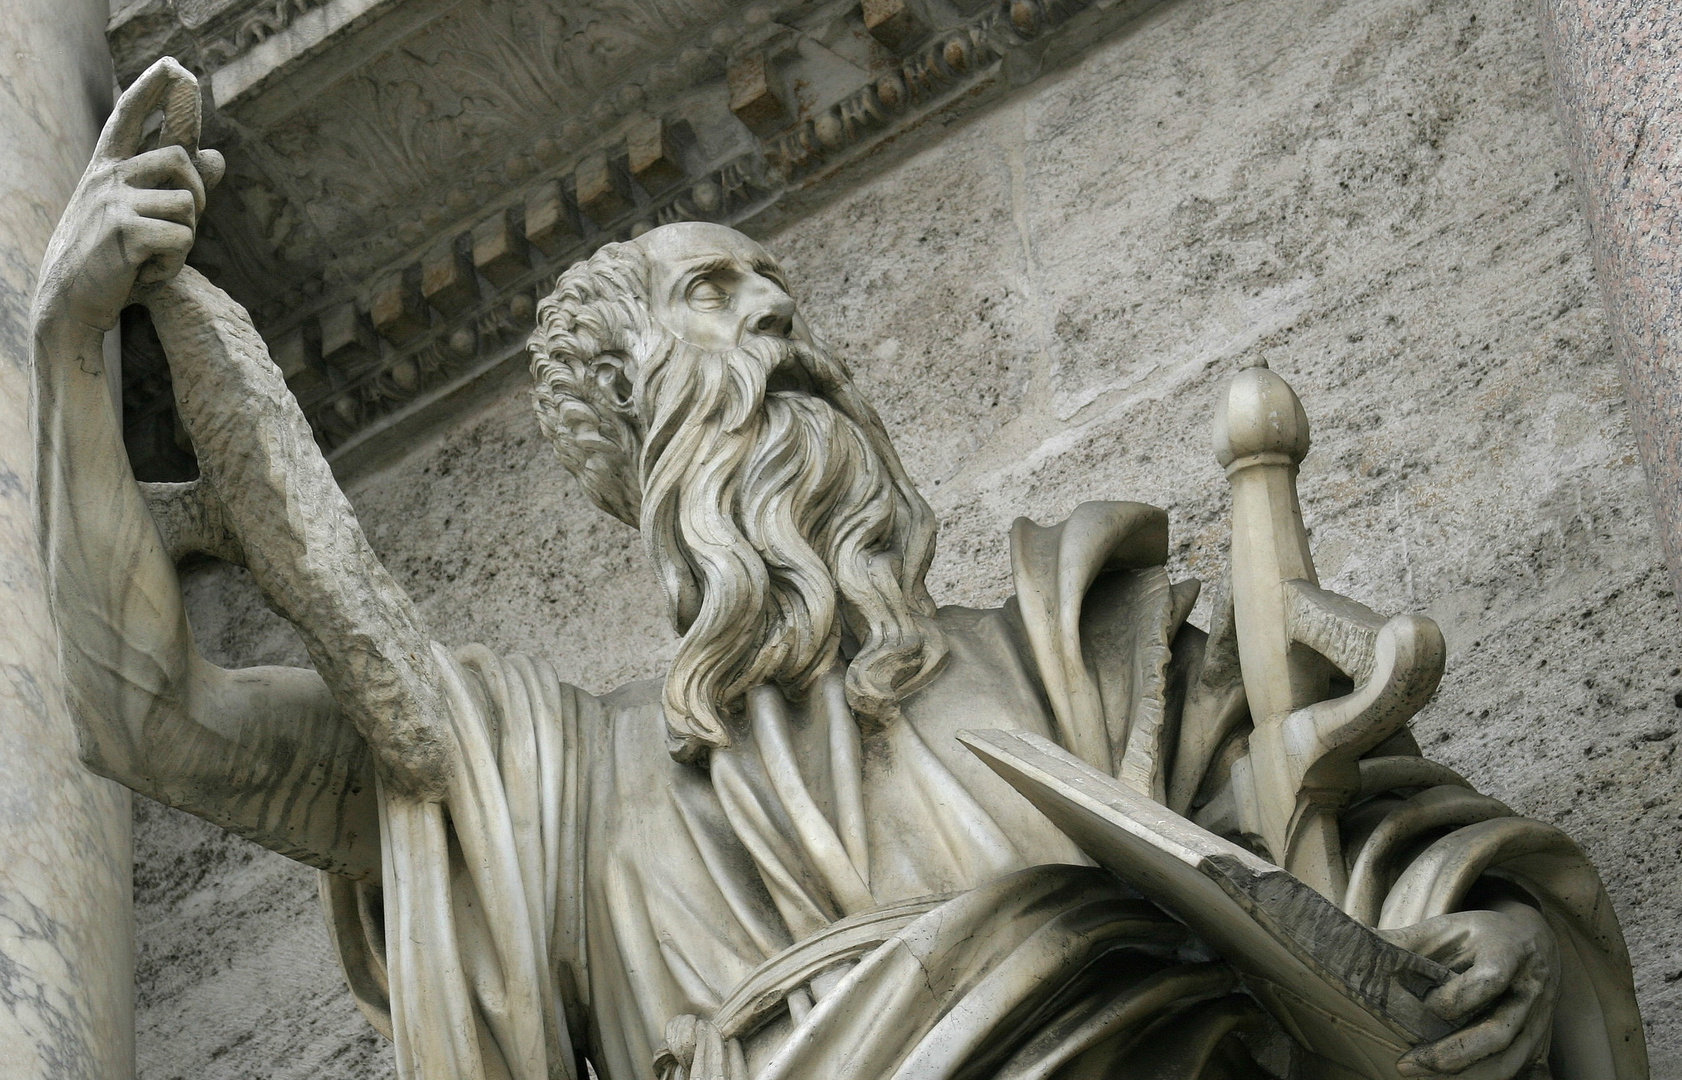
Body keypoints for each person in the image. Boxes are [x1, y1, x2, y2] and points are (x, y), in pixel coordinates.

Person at [30, 59, 1645, 1080]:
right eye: (717, 304)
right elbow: (147, 715)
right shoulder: (535, 784)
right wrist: (67, 349)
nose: (779, 328)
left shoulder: (1080, 644)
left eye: (780, 298)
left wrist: (1472, 933)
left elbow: (1330, 850)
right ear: (633, 436)